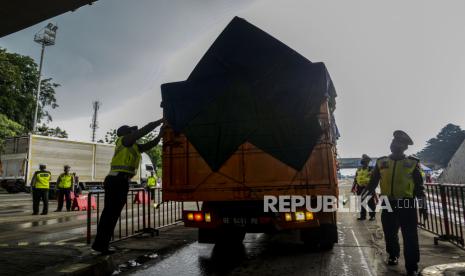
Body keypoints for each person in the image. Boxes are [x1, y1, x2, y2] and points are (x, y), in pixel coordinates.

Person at [92, 119, 165, 254]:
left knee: (112, 215)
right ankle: (101, 245)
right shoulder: (124, 141)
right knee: (110, 215)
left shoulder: (134, 146)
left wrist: (160, 134)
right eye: (132, 131)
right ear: (126, 133)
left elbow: (151, 144)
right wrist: (160, 121)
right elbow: (143, 131)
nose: (135, 132)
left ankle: (102, 244)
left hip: (121, 181)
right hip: (116, 180)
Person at [362, 130, 427, 276]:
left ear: (404, 147)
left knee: (410, 235)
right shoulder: (382, 162)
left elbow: (419, 188)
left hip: (407, 204)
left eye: (399, 143)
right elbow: (372, 183)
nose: (394, 145)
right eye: (393, 142)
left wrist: (423, 206)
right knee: (389, 232)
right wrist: (364, 195)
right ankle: (393, 254)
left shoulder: (412, 163)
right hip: (388, 203)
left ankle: (412, 266)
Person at [352, 154, 376, 221]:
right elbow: (356, 178)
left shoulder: (371, 169)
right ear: (362, 163)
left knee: (370, 202)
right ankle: (363, 216)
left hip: (368, 188)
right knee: (361, 202)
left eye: (367, 162)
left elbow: (374, 179)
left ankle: (372, 216)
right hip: (360, 187)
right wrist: (353, 187)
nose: (366, 164)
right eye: (365, 162)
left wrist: (372, 188)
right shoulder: (358, 169)